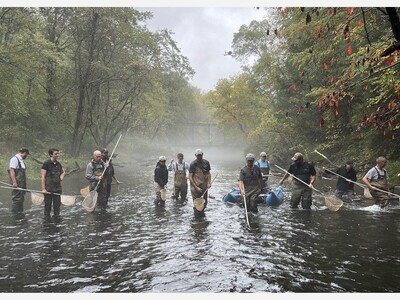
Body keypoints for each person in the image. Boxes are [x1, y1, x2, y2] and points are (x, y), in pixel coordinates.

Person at [41, 148, 65, 219]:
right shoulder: (46, 164)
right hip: (48, 189)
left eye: (58, 153)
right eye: (56, 154)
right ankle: (47, 222)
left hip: (57, 189)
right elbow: (43, 177)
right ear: (51, 154)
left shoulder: (58, 164)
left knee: (57, 208)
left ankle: (57, 222)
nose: (57, 155)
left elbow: (63, 172)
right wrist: (43, 189)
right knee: (47, 208)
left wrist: (61, 177)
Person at [189, 149, 211, 217]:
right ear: (195, 156)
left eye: (200, 155)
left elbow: (208, 174)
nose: (199, 157)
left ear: (202, 155)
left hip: (204, 186)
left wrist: (209, 182)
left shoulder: (206, 163)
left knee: (204, 203)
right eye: (198, 156)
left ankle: (202, 217)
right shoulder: (193, 164)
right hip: (195, 187)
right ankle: (197, 219)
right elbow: (190, 177)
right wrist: (196, 187)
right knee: (197, 204)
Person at [8, 147, 30, 215]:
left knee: (21, 199)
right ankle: (15, 214)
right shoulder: (14, 159)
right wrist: (14, 182)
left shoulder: (21, 160)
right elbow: (12, 171)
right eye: (26, 155)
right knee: (16, 199)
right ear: (24, 153)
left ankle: (20, 213)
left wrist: (24, 186)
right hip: (17, 183)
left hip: (22, 184)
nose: (26, 156)